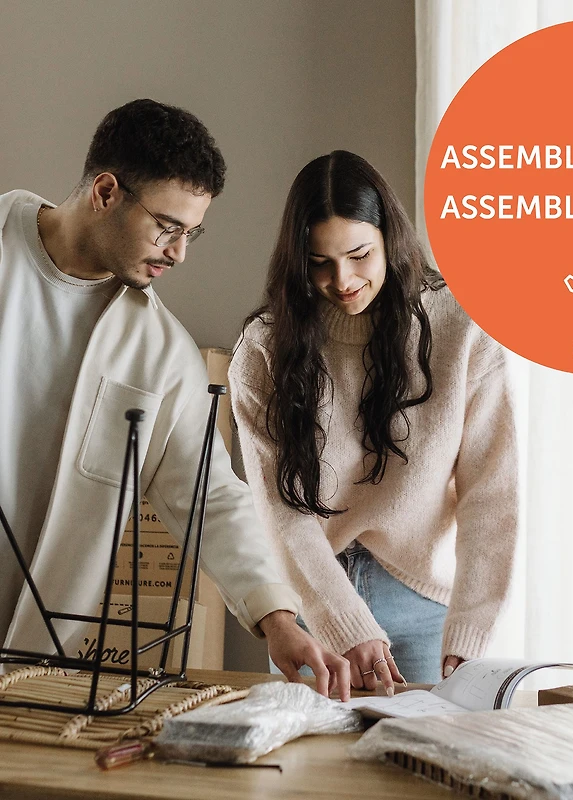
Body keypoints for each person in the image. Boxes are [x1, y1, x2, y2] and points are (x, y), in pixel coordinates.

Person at [0, 99, 350, 698]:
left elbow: (211, 495)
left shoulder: (163, 356)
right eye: (167, 226)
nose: (179, 252)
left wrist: (278, 620)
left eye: (192, 233)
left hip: (24, 669)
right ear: (106, 192)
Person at [229, 150, 518, 692]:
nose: (343, 280)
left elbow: (492, 493)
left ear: (390, 237)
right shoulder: (265, 349)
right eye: (319, 263)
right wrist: (342, 619)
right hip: (311, 599)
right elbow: (280, 509)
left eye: (359, 254)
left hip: (423, 605)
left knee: (423, 770)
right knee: (308, 771)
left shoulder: (461, 330)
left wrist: (471, 631)